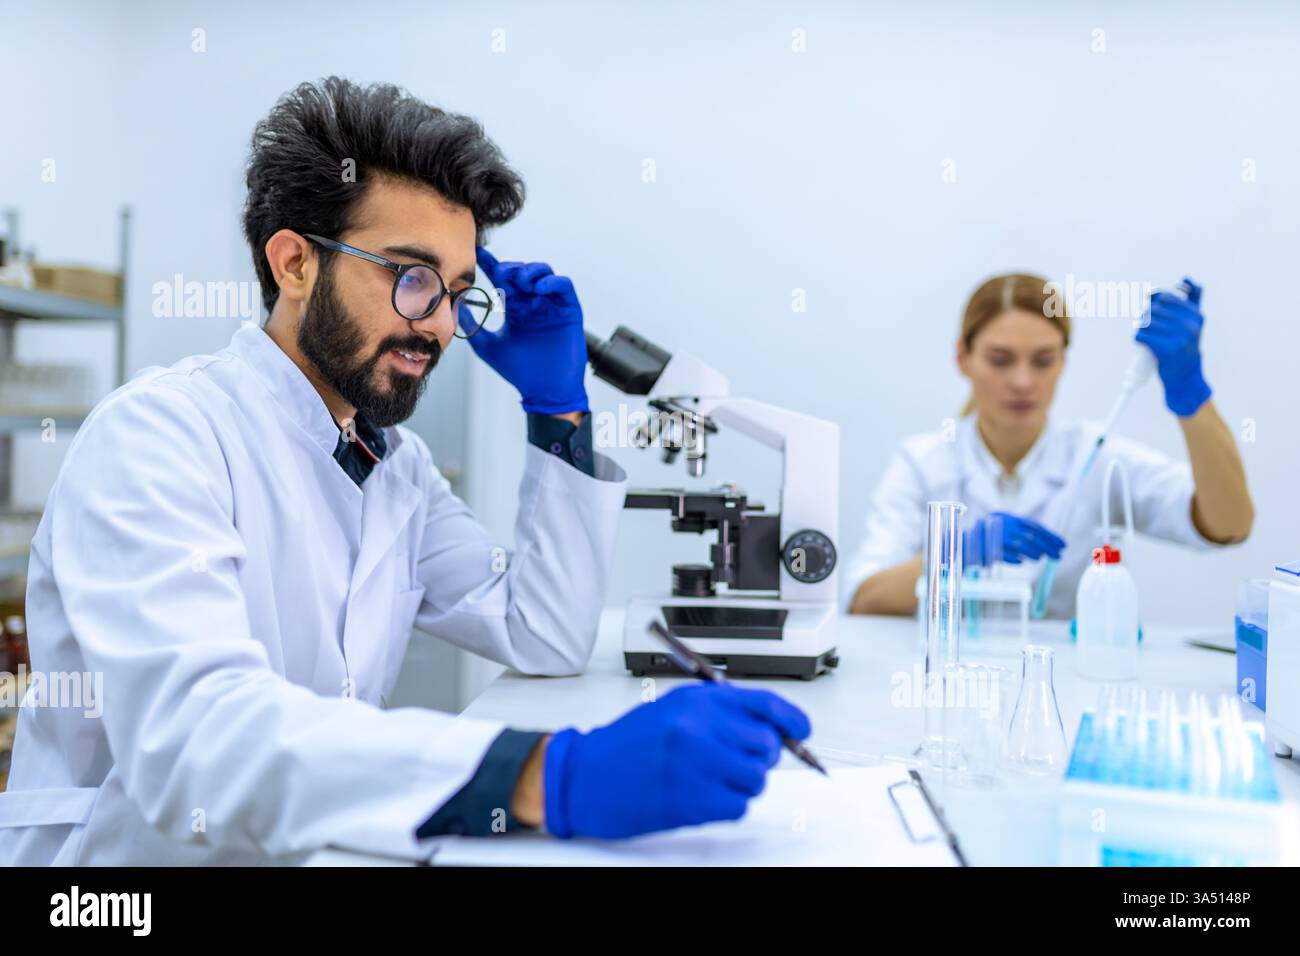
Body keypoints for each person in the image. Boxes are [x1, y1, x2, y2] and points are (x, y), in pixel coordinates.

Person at [0, 78, 809, 865]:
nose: (443, 327)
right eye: (411, 278)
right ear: (294, 265)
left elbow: (544, 632)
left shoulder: (395, 467)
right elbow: (196, 742)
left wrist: (557, 410)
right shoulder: (159, 438)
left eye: (458, 292)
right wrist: (541, 776)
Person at [844, 272, 1253, 619]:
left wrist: (1189, 393)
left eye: (1042, 361)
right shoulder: (922, 462)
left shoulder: (1096, 456)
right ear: (963, 357)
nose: (1023, 382)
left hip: (1065, 691)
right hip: (948, 682)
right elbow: (865, 599)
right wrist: (961, 553)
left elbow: (1229, 525)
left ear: (1063, 362)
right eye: (1001, 360)